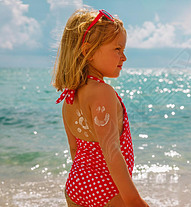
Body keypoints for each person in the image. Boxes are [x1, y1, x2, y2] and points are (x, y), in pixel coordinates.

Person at [52, 8, 149, 207]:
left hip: (77, 186)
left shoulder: (70, 97)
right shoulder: (102, 92)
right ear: (88, 51)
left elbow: (75, 149)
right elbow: (112, 151)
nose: (124, 58)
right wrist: (134, 200)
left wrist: (86, 186)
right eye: (117, 49)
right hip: (107, 189)